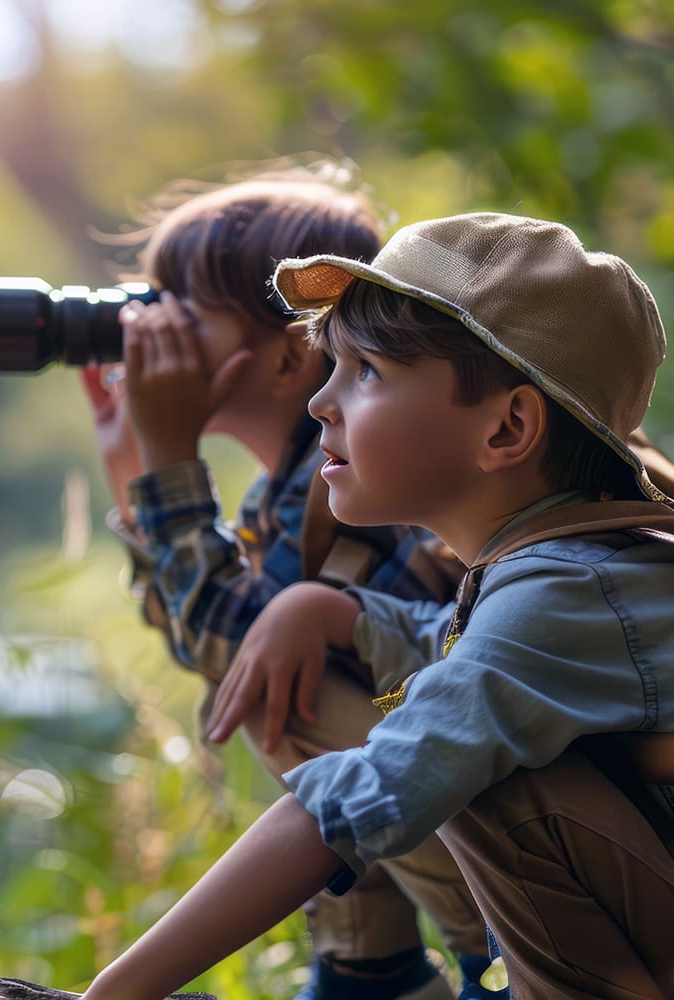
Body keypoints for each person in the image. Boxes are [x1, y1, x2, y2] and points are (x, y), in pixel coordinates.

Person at [82, 212, 674, 1000]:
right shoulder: (566, 570)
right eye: (333, 364)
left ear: (508, 428)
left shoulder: (568, 589)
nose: (323, 401)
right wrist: (334, 612)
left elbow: (360, 794)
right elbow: (456, 647)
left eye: (367, 372)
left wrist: (113, 994)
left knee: (476, 762)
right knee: (456, 714)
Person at [83, 162, 493, 998]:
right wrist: (134, 465)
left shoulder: (373, 489)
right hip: (453, 811)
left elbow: (233, 646)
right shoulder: (298, 487)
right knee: (276, 664)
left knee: (283, 687)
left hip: (510, 876)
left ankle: (432, 966)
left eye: (176, 310)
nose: (145, 330)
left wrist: (167, 469)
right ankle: (368, 965)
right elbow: (206, 630)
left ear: (282, 359)